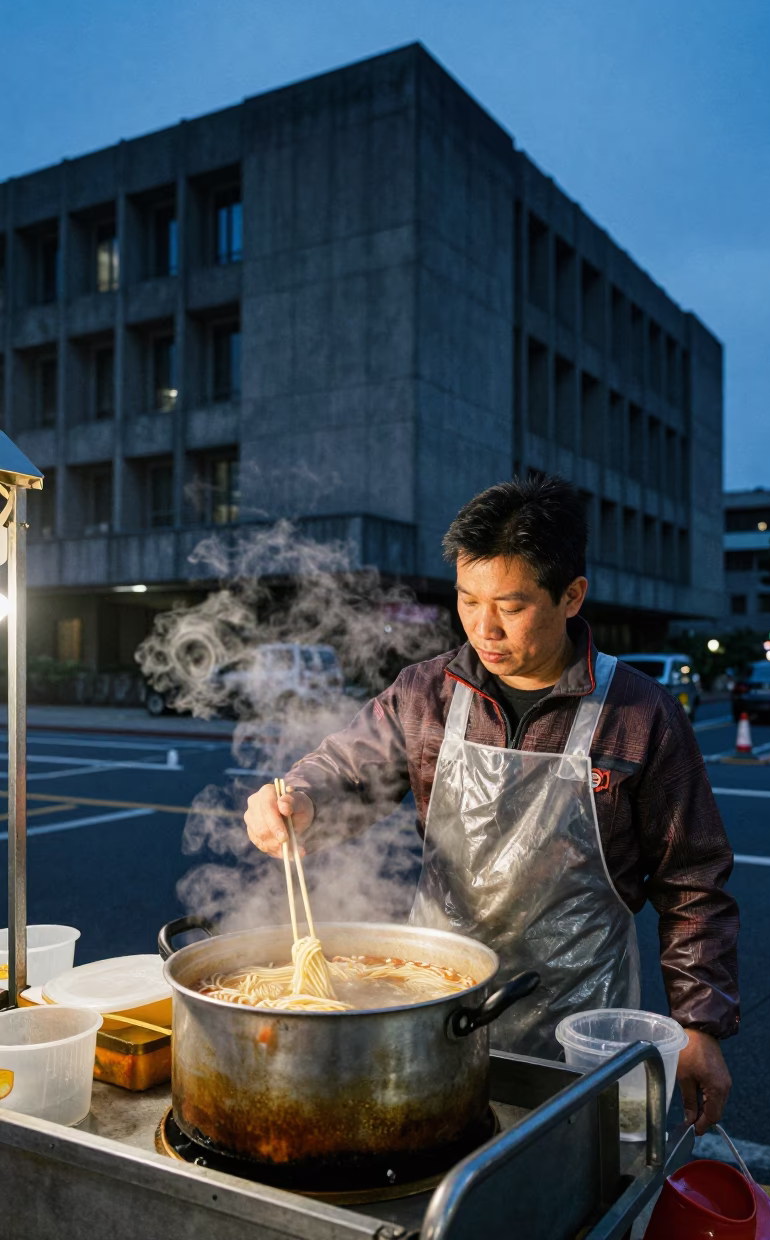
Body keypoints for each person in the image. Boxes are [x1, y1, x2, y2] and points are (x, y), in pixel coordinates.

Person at [245, 474, 739, 1135]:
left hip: (578, 1017)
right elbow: (344, 771)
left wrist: (698, 1022)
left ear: (571, 596)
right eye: (467, 599)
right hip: (431, 1001)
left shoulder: (640, 713)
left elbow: (692, 878)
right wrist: (298, 798)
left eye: (510, 605)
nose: (484, 627)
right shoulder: (425, 693)